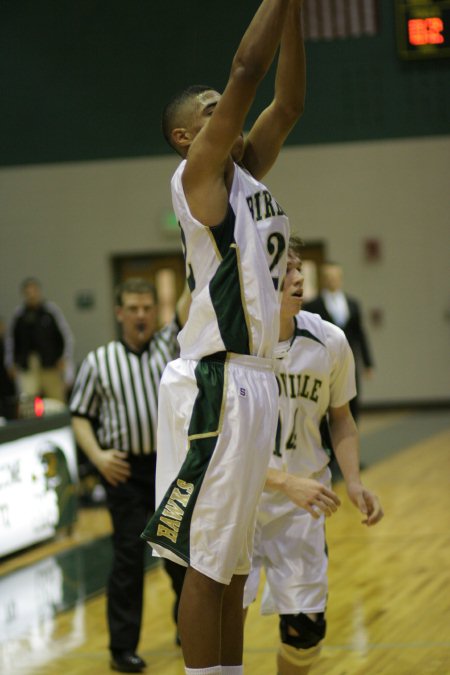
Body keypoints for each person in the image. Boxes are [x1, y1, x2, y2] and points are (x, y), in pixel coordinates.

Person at [141, 2, 306, 673]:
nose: (227, 110)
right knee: (206, 563)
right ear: (188, 137)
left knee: (236, 562)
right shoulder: (197, 179)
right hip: (215, 380)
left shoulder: (246, 173)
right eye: (213, 110)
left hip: (255, 378)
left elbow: (288, 101)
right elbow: (248, 69)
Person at [243, 238, 384, 675]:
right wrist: (283, 481)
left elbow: (341, 419)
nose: (299, 277)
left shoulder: (330, 342)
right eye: (286, 270)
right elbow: (220, 446)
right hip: (240, 504)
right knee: (226, 624)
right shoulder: (234, 343)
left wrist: (354, 481)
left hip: (303, 508)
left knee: (305, 636)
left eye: (299, 267)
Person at [69, 277, 190, 673]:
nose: (141, 315)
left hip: (166, 465)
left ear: (155, 311)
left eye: (147, 308)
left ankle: (185, 623)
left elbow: (189, 306)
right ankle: (122, 648)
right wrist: (99, 458)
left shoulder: (168, 345)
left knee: (177, 552)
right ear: (119, 313)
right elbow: (80, 418)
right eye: (133, 309)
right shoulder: (98, 361)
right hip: (123, 470)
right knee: (128, 555)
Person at [303, 262, 374, 422]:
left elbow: (360, 334)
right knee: (326, 398)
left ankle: (350, 434)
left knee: (351, 397)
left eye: (335, 277)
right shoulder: (313, 304)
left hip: (349, 358)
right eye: (328, 277)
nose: (332, 280)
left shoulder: (352, 304)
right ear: (323, 279)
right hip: (323, 359)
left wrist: (368, 363)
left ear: (340, 279)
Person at [4, 277, 74, 403]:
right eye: (28, 293)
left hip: (50, 363)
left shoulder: (50, 311)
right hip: (28, 364)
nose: (31, 296)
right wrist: (10, 363)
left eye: (34, 292)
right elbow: (11, 341)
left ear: (39, 292)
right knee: (28, 401)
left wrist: (64, 357)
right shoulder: (19, 315)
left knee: (56, 400)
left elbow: (65, 335)